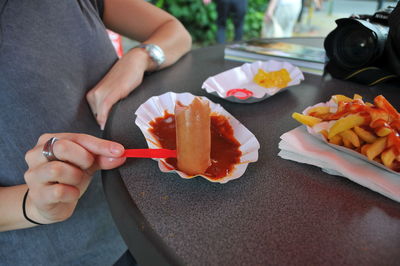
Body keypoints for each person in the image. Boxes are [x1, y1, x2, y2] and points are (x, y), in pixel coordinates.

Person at [0, 0, 191, 265]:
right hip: (67, 254)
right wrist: (31, 206)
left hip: (146, 223)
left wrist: (139, 58)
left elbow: (175, 32)